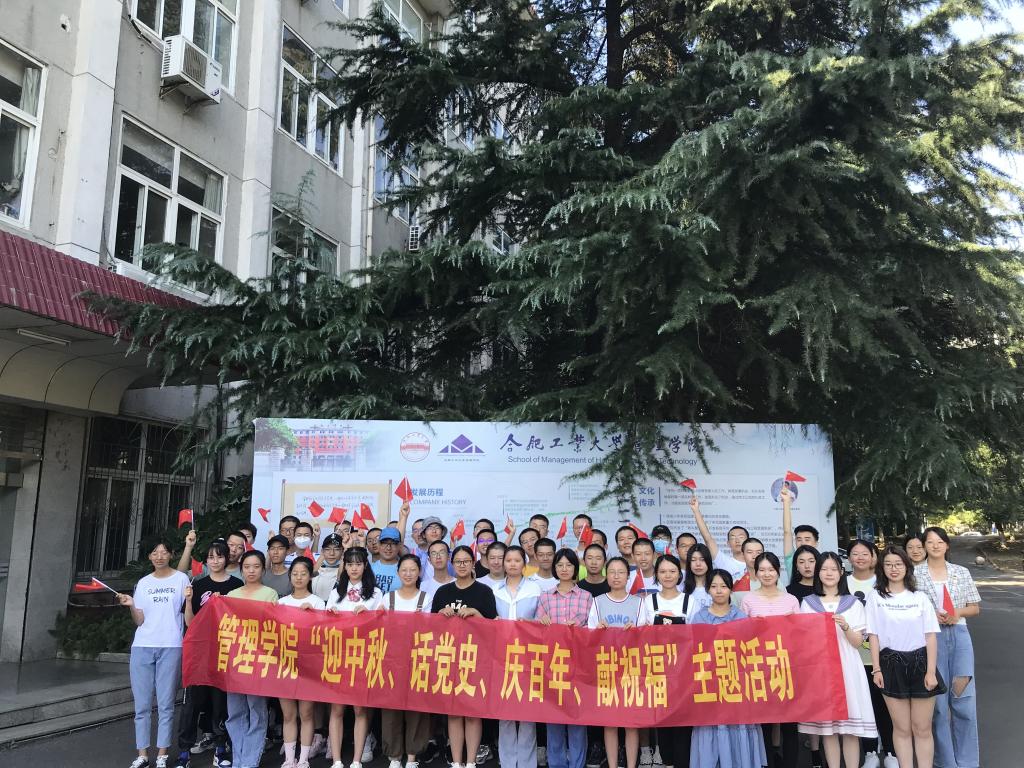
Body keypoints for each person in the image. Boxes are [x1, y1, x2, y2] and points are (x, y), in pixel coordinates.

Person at [797, 552, 878, 768]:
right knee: (828, 729)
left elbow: (857, 642)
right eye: (824, 569)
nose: (829, 573)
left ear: (841, 572)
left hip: (848, 668)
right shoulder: (808, 604)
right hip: (821, 670)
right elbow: (804, 642)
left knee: (850, 730)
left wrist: (846, 626)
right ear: (818, 573)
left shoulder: (853, 604)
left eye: (833, 569)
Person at [867, 547, 944, 768]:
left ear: (907, 567)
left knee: (922, 728)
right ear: (882, 568)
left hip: (921, 664)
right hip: (889, 664)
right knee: (901, 728)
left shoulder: (919, 597)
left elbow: (930, 636)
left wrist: (931, 672)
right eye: (888, 564)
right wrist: (876, 669)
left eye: (898, 564)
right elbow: (873, 635)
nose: (894, 568)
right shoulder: (875, 597)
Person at [120, 538, 191, 768]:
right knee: (141, 705)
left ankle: (162, 755)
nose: (159, 556)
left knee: (166, 704)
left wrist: (189, 546)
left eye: (163, 552)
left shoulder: (181, 579)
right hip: (142, 646)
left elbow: (187, 615)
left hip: (171, 645)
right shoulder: (143, 583)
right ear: (149, 557)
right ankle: (142, 754)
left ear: (171, 555)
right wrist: (131, 605)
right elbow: (139, 620)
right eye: (154, 552)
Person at [916, 527, 981, 768]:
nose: (935, 546)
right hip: (931, 639)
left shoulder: (961, 572)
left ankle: (967, 761)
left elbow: (975, 607)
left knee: (964, 700)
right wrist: (929, 615)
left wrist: (957, 613)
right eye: (930, 542)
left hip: (960, 636)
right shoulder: (914, 574)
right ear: (924, 546)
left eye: (940, 541)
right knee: (939, 706)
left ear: (947, 545)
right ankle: (945, 762)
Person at [689, 569, 765, 768]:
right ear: (708, 589)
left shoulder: (741, 617)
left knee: (737, 723)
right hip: (710, 683)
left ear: (731, 589)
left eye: (723, 586)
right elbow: (694, 652)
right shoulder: (699, 618)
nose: (719, 591)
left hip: (737, 683)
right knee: (711, 725)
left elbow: (749, 651)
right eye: (714, 586)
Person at [432, 545, 498, 768]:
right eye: (458, 562)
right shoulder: (443, 592)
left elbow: (493, 628)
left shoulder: (484, 592)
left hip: (475, 660)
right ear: (452, 564)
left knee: (472, 713)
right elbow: (430, 628)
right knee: (453, 713)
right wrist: (440, 614)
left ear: (473, 563)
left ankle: (470, 762)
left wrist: (476, 614)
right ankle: (456, 761)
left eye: (466, 561)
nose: (462, 565)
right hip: (449, 658)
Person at [177, 540, 241, 768]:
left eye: (219, 556)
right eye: (211, 557)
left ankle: (221, 749)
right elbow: (190, 623)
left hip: (224, 652)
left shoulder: (237, 585)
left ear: (227, 558)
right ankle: (183, 753)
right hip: (199, 653)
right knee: (192, 704)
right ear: (206, 561)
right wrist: (188, 601)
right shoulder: (198, 584)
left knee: (220, 703)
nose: (215, 561)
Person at [588, 557, 653, 768]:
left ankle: (632, 765)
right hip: (606, 669)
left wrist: (636, 632)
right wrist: (598, 631)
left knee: (631, 723)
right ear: (607, 576)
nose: (616, 576)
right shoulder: (597, 602)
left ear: (627, 576)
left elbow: (646, 636)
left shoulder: (639, 603)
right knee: (610, 723)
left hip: (631, 670)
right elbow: (588, 637)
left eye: (621, 572)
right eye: (612, 572)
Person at [325, 547, 383, 768]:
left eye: (358, 564)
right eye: (350, 564)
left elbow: (382, 625)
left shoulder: (376, 593)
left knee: (360, 709)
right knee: (337, 709)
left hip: (363, 656)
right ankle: (337, 760)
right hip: (338, 656)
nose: (354, 568)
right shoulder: (336, 592)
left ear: (365, 566)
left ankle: (357, 759)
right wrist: (331, 616)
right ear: (345, 567)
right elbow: (324, 623)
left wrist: (369, 616)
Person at [741, 553, 799, 768]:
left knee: (790, 722)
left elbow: (800, 634)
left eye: (771, 569)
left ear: (778, 572)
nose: (767, 574)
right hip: (759, 668)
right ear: (756, 573)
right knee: (764, 722)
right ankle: (767, 763)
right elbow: (741, 635)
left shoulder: (791, 600)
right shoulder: (748, 600)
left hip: (787, 666)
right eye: (762, 570)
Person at [537, 549, 592, 768]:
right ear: (554, 568)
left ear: (575, 568)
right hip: (553, 667)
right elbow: (536, 631)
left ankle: (577, 764)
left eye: (569, 565)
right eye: (560, 565)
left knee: (577, 720)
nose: (564, 569)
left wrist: (580, 628)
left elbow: (593, 630)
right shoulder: (545, 597)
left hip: (579, 666)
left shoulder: (586, 597)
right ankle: (557, 764)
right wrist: (542, 624)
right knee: (554, 720)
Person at [225, 550, 279, 768]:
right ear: (241, 570)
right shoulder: (231, 595)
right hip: (235, 659)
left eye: (256, 567)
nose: (251, 571)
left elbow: (273, 626)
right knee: (235, 712)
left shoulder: (270, 594)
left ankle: (249, 761)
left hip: (258, 659)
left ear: (263, 570)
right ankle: (238, 757)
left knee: (257, 710)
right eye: (247, 567)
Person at [846, 539, 897, 768]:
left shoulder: (883, 582)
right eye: (855, 553)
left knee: (886, 705)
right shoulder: (843, 583)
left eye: (865, 553)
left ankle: (891, 752)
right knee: (864, 706)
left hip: (883, 654)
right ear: (849, 558)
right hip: (854, 654)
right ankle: (870, 752)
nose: (860, 557)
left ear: (874, 556)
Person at [492, 546, 542, 768]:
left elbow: (542, 621)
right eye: (508, 560)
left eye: (517, 560)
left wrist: (531, 624)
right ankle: (508, 762)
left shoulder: (534, 588)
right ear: (503, 563)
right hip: (501, 656)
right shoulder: (495, 589)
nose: (512, 564)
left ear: (524, 563)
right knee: (505, 712)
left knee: (527, 711)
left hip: (529, 655)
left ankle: (527, 763)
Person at [382, 554, 432, 768]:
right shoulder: (388, 598)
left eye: (413, 570)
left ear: (419, 572)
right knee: (391, 709)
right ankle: (394, 756)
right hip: (392, 660)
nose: (408, 574)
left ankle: (412, 756)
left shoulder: (426, 598)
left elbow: (431, 630)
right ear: (398, 573)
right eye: (404, 570)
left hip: (418, 660)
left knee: (416, 708)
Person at [278, 557, 325, 768]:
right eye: (295, 573)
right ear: (290, 576)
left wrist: (313, 615)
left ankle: (304, 759)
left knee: (306, 713)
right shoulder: (281, 603)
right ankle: (289, 759)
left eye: (303, 573)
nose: (299, 577)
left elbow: (323, 635)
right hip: (285, 664)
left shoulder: (317, 602)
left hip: (308, 666)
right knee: (288, 714)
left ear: (310, 576)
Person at [644, 555, 689, 768]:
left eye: (672, 571)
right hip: (657, 670)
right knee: (662, 720)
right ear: (656, 575)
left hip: (684, 671)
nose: (668, 576)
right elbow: (640, 634)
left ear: (679, 575)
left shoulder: (689, 601)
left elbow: (699, 636)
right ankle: (668, 762)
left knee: (683, 721)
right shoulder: (648, 601)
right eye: (663, 572)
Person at [689, 494, 747, 580]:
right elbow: (708, 539)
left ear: (748, 542)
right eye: (733, 537)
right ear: (728, 543)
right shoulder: (723, 561)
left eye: (741, 537)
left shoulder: (758, 564)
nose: (737, 540)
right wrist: (696, 511)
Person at [178, 529, 245, 577]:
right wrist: (188, 546)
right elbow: (180, 577)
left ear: (243, 551)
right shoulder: (208, 567)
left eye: (239, 547)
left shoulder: (245, 572)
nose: (234, 549)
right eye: (231, 545)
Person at [682, 544, 714, 622]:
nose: (698, 564)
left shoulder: (716, 587)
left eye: (702, 559)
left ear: (708, 562)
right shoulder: (681, 588)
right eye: (693, 560)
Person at [373, 526, 406, 594]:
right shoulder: (369, 568)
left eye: (393, 543)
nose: (388, 548)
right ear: (379, 544)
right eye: (384, 543)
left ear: (399, 545)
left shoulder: (406, 570)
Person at [312, 534, 345, 601]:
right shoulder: (317, 568)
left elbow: (340, 578)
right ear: (322, 551)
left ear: (342, 551)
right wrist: (321, 557)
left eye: (336, 549)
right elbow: (311, 575)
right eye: (327, 549)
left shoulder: (345, 570)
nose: (331, 553)